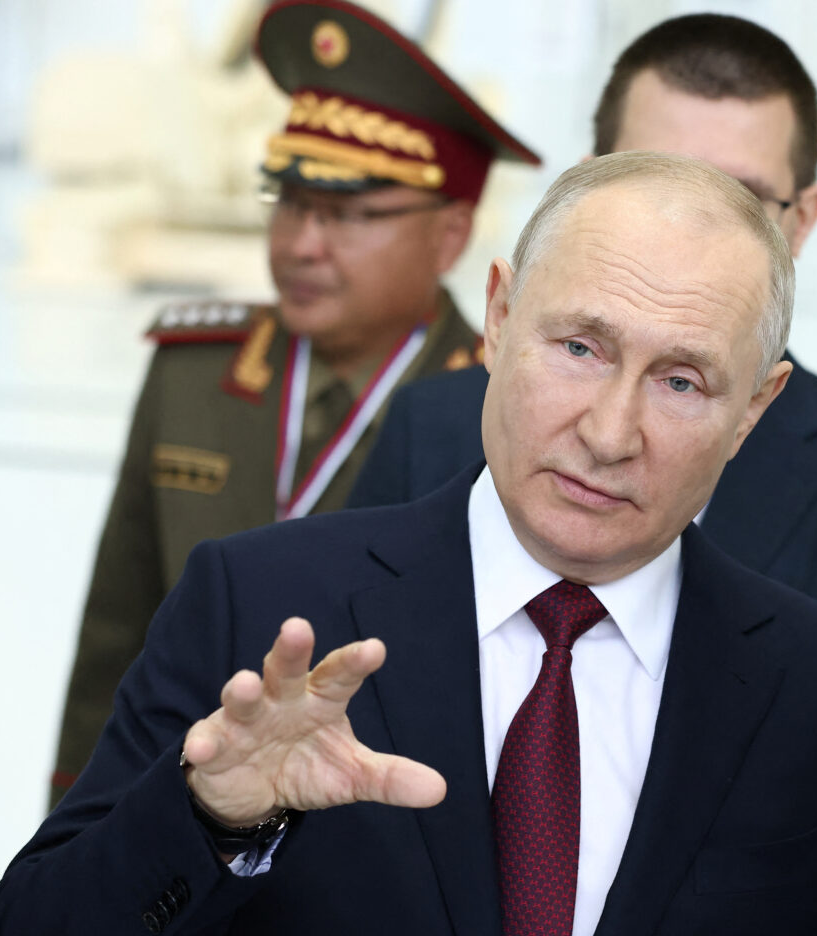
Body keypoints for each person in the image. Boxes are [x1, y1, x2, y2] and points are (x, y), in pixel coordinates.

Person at [0, 152, 817, 936]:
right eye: (580, 347)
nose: (610, 431)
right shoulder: (266, 608)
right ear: (497, 315)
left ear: (753, 408)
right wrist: (212, 819)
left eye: (680, 381)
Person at [347, 13, 817, 852]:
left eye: (742, 198)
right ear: (581, 185)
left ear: (803, 219)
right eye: (651, 178)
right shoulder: (436, 426)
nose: (686, 226)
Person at [50, 0, 540, 807]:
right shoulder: (194, 374)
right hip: (175, 818)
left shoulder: (494, 409)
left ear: (450, 235)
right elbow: (114, 638)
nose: (302, 244)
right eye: (290, 200)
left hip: (377, 824)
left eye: (346, 215)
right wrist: (75, 826)